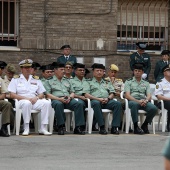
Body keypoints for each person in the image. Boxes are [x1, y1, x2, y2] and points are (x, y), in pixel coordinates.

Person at [8, 59, 52, 136]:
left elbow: (42, 93)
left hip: (34, 100)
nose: (28, 69)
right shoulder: (16, 79)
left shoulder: (36, 79)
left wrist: (37, 97)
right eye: (25, 68)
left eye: (29, 67)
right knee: (27, 103)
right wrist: (26, 99)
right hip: (21, 101)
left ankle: (43, 128)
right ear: (21, 69)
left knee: (46, 103)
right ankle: (26, 127)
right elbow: (12, 95)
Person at [43, 62, 85, 135]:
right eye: (61, 69)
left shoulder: (67, 80)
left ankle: (78, 127)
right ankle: (60, 126)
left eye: (64, 69)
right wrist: (59, 99)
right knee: (58, 104)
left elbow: (72, 92)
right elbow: (47, 95)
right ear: (55, 70)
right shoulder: (49, 81)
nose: (63, 71)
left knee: (79, 104)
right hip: (56, 99)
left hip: (68, 99)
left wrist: (70, 97)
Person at [83, 63, 122, 135]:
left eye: (101, 71)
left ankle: (114, 127)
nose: (99, 72)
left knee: (118, 104)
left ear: (103, 72)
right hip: (95, 101)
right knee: (96, 103)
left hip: (107, 101)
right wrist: (98, 99)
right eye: (97, 71)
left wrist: (108, 98)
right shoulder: (88, 82)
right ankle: (102, 127)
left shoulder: (107, 82)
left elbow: (112, 93)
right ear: (93, 72)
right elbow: (86, 94)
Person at [124, 63, 157, 134]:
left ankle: (145, 125)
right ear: (133, 71)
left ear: (142, 72)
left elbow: (149, 95)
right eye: (135, 70)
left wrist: (146, 100)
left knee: (153, 108)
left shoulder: (146, 83)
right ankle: (136, 127)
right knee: (134, 105)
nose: (137, 72)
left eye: (139, 71)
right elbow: (127, 95)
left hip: (143, 101)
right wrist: (137, 101)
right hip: (133, 100)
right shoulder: (128, 81)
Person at [155, 64, 170, 132]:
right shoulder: (160, 83)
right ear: (164, 73)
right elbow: (159, 96)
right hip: (164, 102)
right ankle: (169, 124)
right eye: (169, 70)